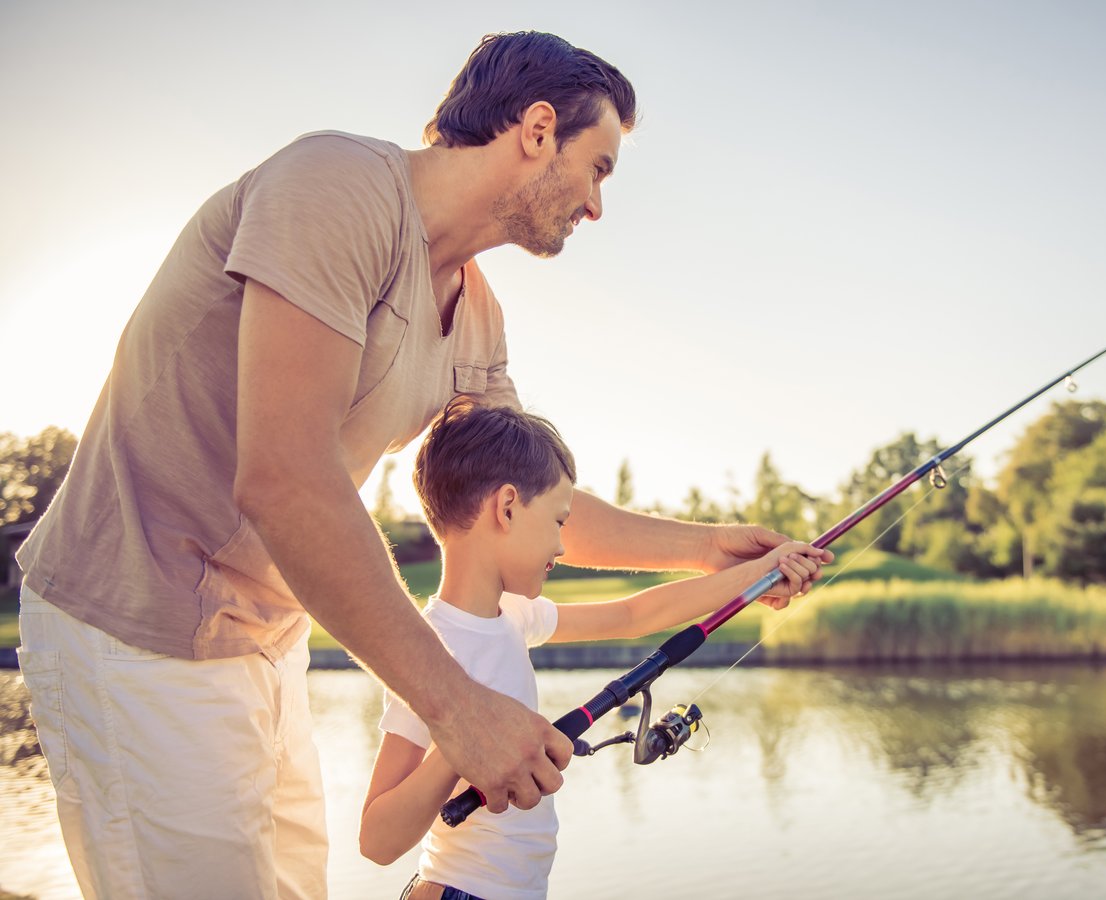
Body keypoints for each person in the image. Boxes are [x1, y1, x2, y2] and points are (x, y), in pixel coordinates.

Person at [15, 31, 824, 900]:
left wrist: (707, 550)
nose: (596, 206)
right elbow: (285, 478)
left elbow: (531, 502)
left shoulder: (477, 316)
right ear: (538, 130)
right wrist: (456, 708)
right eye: (599, 168)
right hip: (135, 625)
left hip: (265, 639)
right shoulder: (336, 188)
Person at [358, 397, 832, 899]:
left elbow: (634, 616)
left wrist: (759, 574)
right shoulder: (431, 653)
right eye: (558, 521)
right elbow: (377, 840)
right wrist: (464, 743)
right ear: (508, 507)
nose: (562, 546)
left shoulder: (513, 615)